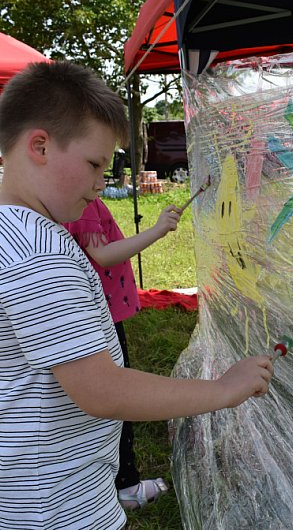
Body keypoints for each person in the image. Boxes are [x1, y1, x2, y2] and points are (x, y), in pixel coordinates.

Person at [0, 60, 273, 529]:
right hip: (52, 504)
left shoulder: (15, 229)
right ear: (39, 146)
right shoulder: (35, 251)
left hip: (45, 485)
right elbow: (101, 390)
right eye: (93, 164)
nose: (100, 182)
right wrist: (223, 390)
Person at [62, 198, 181, 510]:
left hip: (98, 313)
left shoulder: (74, 203)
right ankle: (126, 485)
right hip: (103, 316)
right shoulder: (84, 206)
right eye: (94, 166)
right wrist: (156, 231)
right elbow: (103, 254)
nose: (101, 180)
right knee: (118, 402)